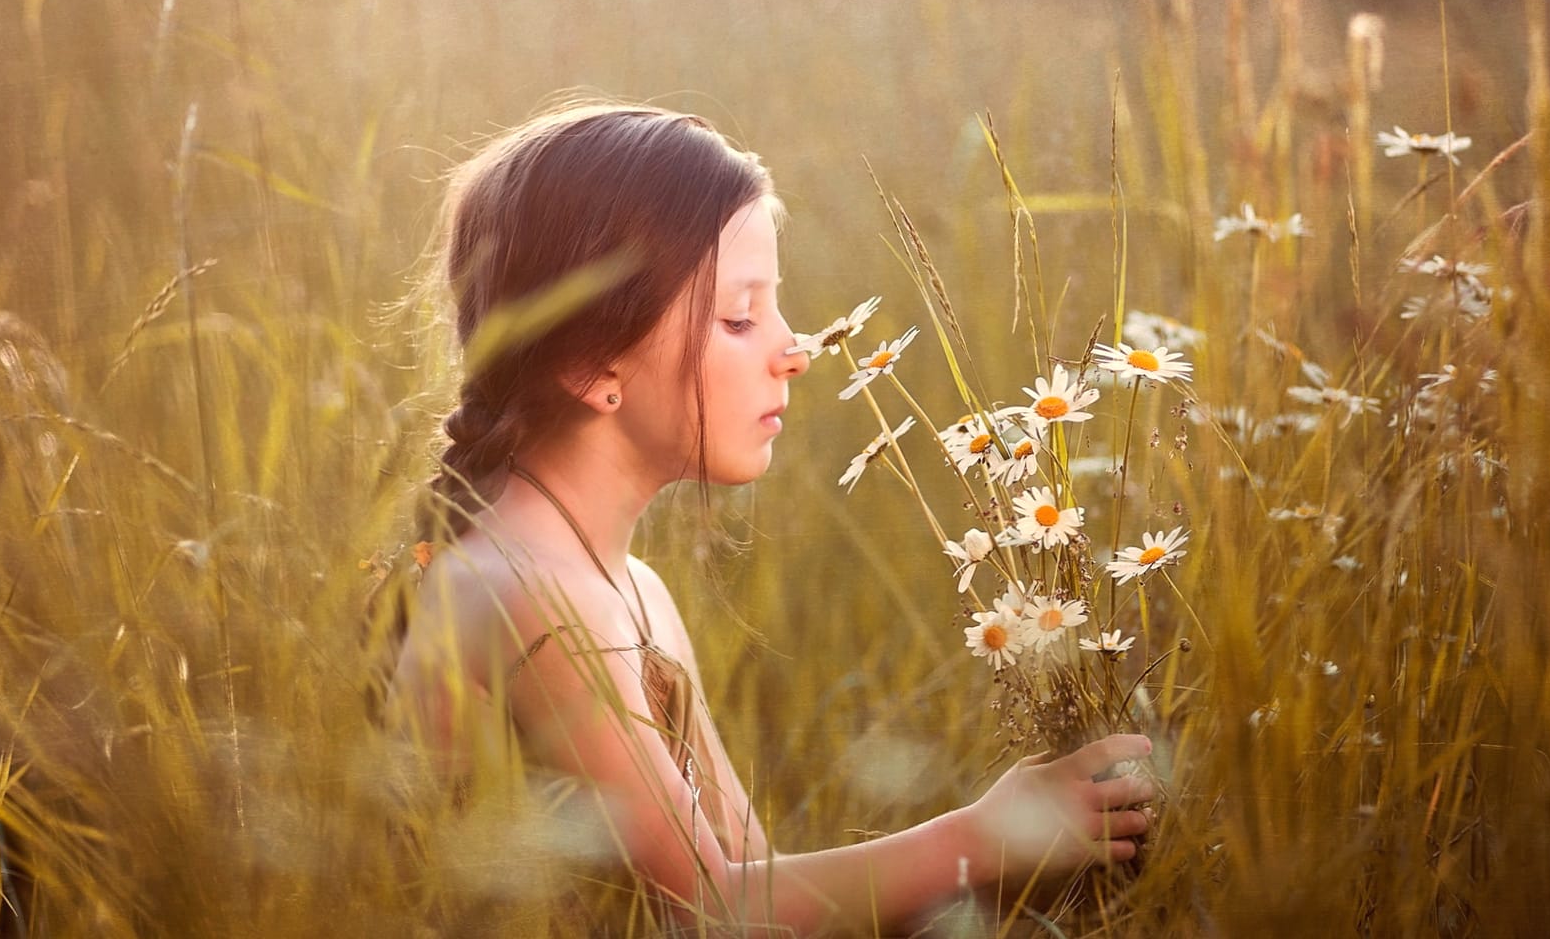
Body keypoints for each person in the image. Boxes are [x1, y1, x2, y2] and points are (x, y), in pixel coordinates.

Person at [384, 100, 1154, 933]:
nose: (796, 348)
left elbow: (746, 880)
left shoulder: (626, 588)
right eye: (738, 318)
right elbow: (717, 910)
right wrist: (983, 836)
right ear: (588, 363)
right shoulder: (531, 594)